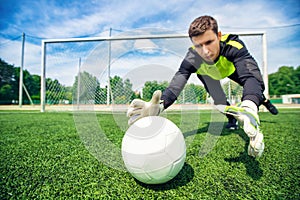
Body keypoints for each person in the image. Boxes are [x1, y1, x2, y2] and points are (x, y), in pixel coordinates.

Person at [127, 15, 278, 158]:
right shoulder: (192, 57)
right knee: (220, 102)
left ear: (219, 36)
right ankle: (232, 120)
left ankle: (262, 102)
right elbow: (176, 85)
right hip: (209, 75)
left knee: (255, 90)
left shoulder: (233, 45)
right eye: (198, 45)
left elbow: (252, 77)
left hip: (231, 70)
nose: (205, 51)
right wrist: (161, 104)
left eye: (209, 42)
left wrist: (250, 106)